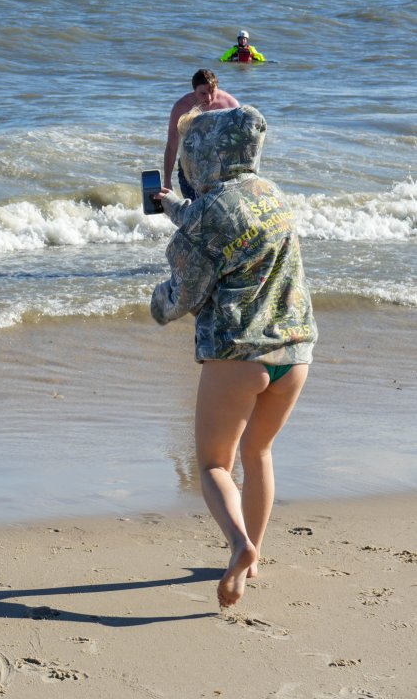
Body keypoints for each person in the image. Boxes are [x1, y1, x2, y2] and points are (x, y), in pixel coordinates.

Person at [150, 105, 317, 608]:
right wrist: (174, 208)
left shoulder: (206, 216)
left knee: (213, 465)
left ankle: (238, 544)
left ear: (203, 156)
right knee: (258, 453)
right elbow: (230, 224)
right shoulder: (273, 195)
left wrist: (156, 303)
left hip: (238, 353)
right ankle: (256, 554)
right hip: (295, 351)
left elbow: (184, 295)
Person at [163, 69, 239, 199]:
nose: (208, 98)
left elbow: (239, 143)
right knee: (195, 209)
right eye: (203, 93)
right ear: (194, 91)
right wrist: (167, 181)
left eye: (212, 92)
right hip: (190, 167)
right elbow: (171, 146)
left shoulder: (230, 105)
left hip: (220, 167)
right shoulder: (182, 107)